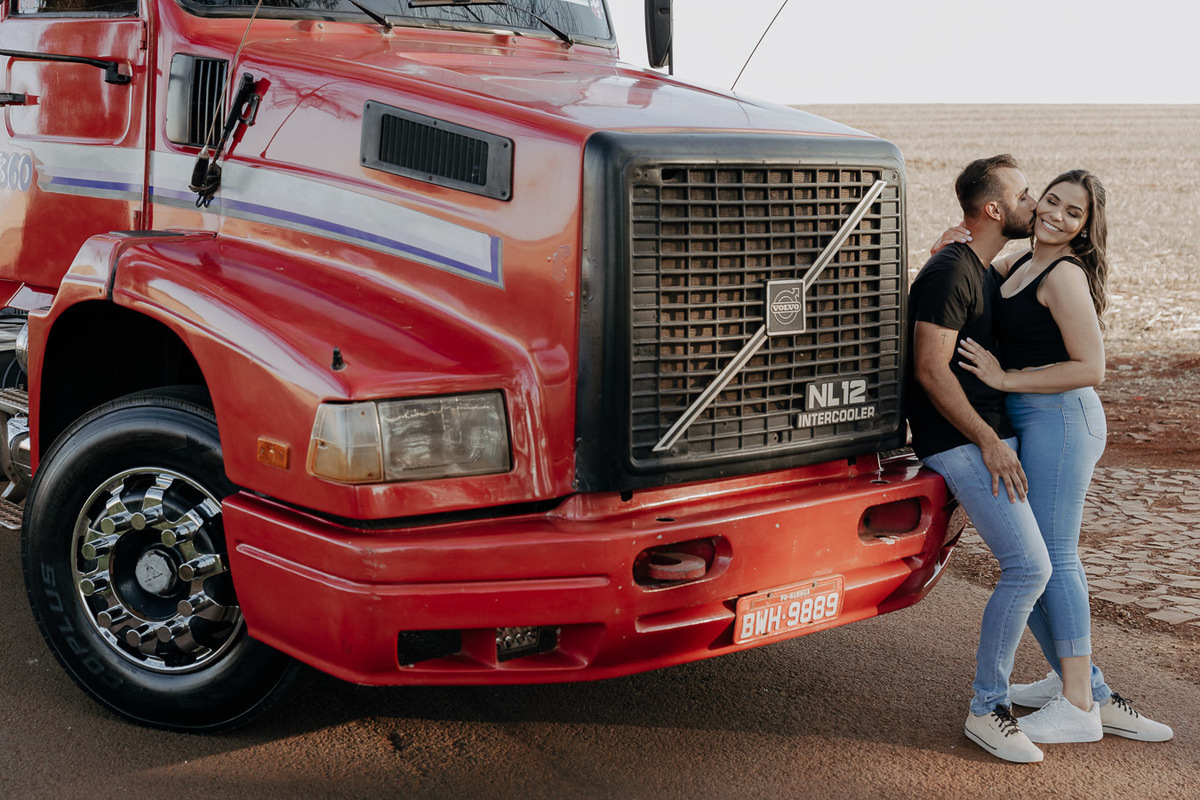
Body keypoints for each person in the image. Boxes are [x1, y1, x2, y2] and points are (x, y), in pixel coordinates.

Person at [936, 169, 1173, 746]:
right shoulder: (1019, 265)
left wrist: (1004, 377)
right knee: (1040, 557)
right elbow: (971, 275)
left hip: (1064, 419)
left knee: (1055, 558)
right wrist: (948, 246)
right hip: (1037, 422)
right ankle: (1083, 686)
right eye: (1052, 201)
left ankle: (1076, 705)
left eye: (1075, 213)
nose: (1057, 216)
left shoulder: (1064, 275)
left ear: (1085, 230)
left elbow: (1092, 368)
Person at [907, 154, 1047, 763]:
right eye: (1023, 195)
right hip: (962, 446)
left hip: (988, 440)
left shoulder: (980, 267)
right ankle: (988, 707)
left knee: (1045, 566)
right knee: (1030, 569)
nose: (1033, 202)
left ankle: (1077, 686)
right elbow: (929, 370)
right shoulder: (952, 270)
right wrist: (988, 443)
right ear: (992, 209)